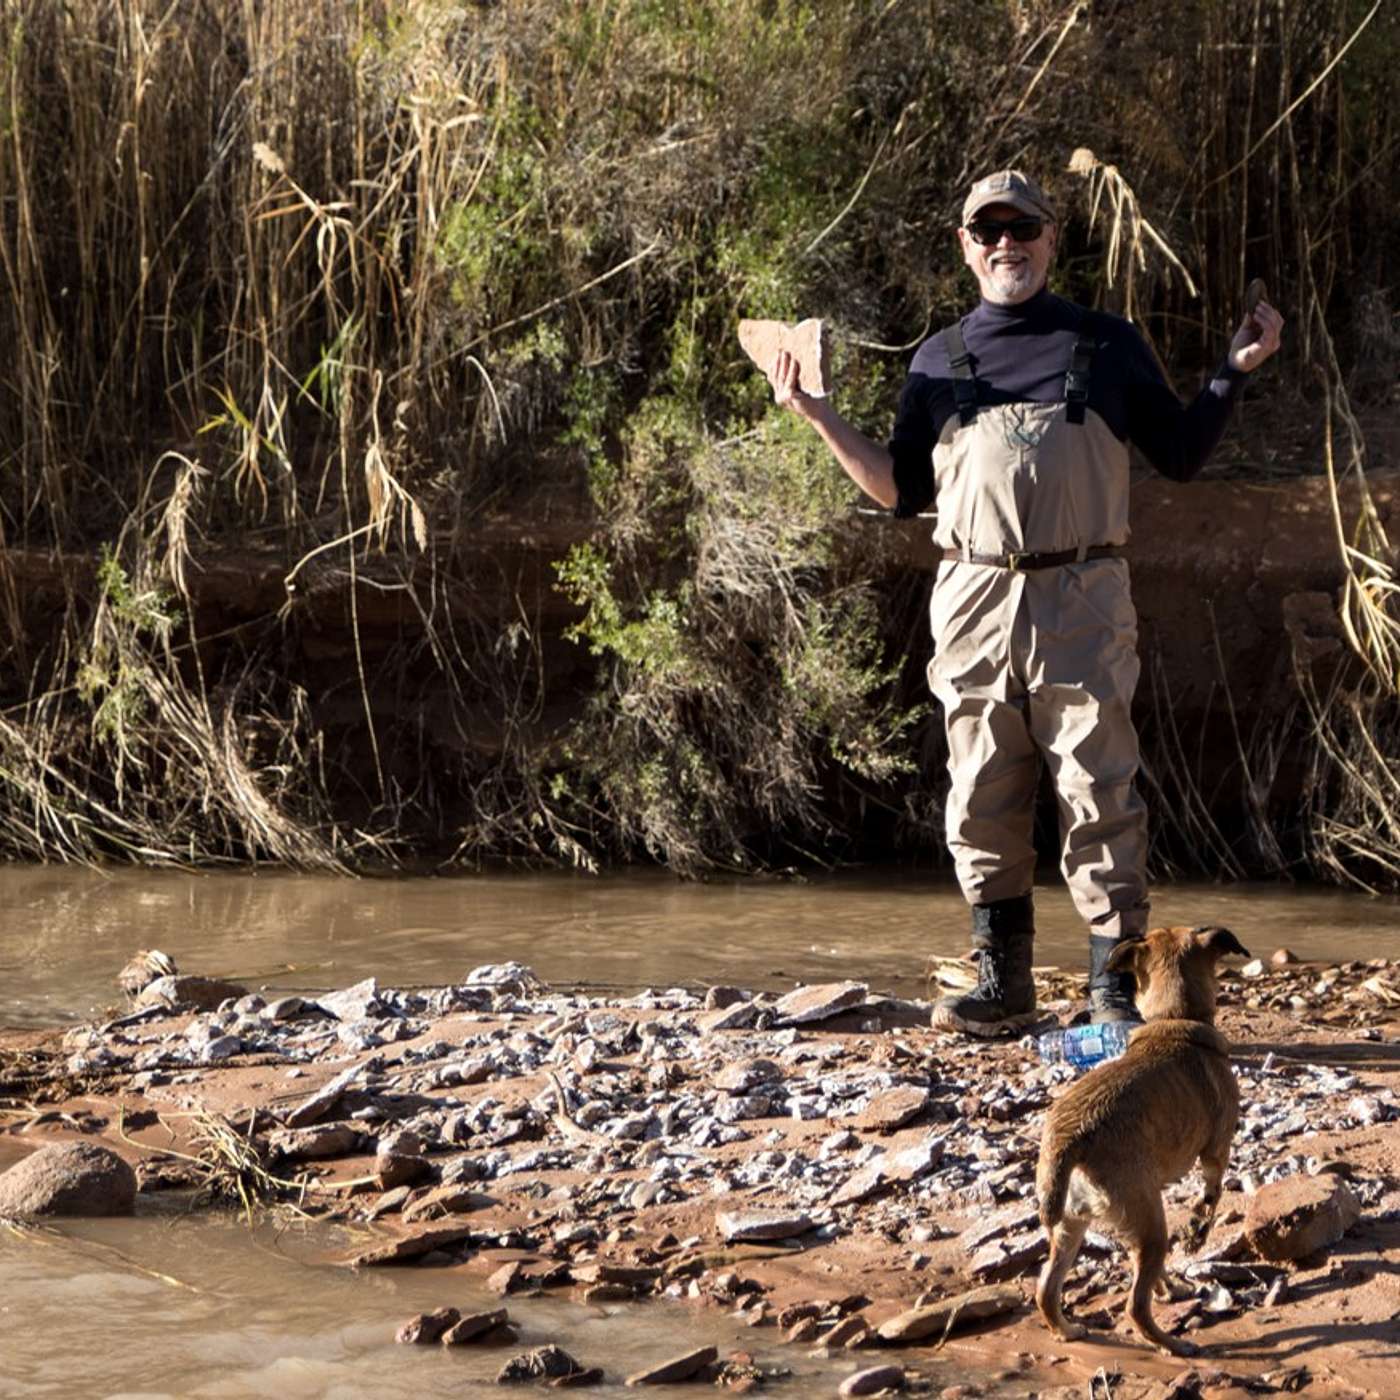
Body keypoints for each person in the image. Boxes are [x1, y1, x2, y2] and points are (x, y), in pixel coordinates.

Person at [768, 168, 1284, 1036]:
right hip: (970, 592)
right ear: (965, 247)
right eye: (988, 230)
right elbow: (898, 489)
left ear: (1051, 239)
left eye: (1024, 229)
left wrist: (1234, 372)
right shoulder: (937, 358)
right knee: (979, 788)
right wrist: (817, 414)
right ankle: (1002, 984)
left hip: (1082, 591)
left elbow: (1183, 454)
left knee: (1097, 784)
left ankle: (1113, 990)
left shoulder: (1107, 343)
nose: (1007, 243)